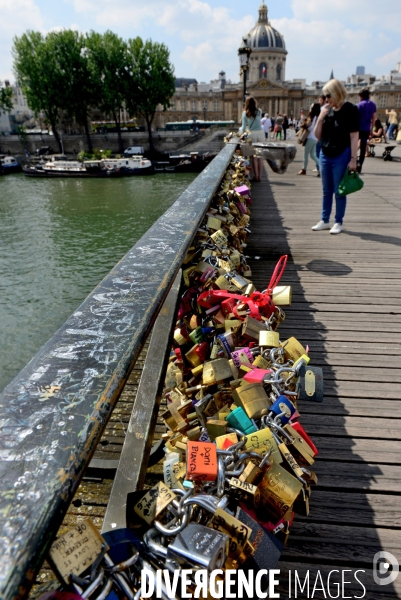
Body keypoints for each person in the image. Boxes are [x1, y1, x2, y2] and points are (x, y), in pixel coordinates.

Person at [312, 78, 359, 235]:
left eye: (328, 96)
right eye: (325, 97)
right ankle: (324, 220)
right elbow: (318, 136)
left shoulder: (350, 109)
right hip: (325, 153)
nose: (326, 100)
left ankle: (338, 221)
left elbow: (354, 137)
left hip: (341, 154)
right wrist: (320, 118)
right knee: (326, 190)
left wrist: (353, 159)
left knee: (339, 191)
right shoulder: (327, 110)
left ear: (336, 93)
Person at [239, 96, 265, 182]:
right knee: (260, 156)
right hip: (261, 134)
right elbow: (258, 121)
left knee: (254, 157)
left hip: (252, 135)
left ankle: (256, 176)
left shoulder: (245, 113)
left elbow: (243, 127)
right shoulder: (259, 111)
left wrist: (240, 134)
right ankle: (260, 177)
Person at [297, 103, 320, 176]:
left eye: (311, 107)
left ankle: (304, 169)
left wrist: (305, 125)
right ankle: (322, 169)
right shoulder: (317, 117)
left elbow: (311, 128)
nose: (310, 107)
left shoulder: (314, 117)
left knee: (305, 154)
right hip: (315, 138)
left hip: (311, 138)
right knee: (312, 155)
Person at [356, 88, 376, 173]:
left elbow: (355, 117)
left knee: (353, 146)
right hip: (367, 128)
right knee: (363, 148)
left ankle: (355, 161)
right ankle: (360, 165)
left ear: (361, 96)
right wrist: (372, 128)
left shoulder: (359, 105)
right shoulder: (373, 104)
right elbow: (374, 118)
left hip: (357, 128)